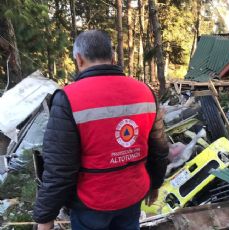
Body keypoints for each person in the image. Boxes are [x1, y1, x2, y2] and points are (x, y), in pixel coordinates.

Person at [33, 30, 169, 230]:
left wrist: (45, 217)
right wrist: (155, 183)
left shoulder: (68, 98)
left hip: (91, 204)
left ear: (79, 59)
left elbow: (59, 168)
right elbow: (159, 147)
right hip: (133, 195)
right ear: (112, 58)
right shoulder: (145, 92)